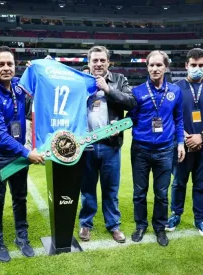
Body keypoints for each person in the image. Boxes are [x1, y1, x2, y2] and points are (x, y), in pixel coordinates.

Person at [0, 46, 44, 263]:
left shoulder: (18, 86)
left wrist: (40, 68)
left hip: (17, 156)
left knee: (20, 198)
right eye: (1, 64)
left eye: (10, 64)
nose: (6, 68)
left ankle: (21, 237)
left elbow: (37, 84)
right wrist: (27, 153)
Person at [78, 45, 137, 243]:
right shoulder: (80, 82)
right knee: (87, 189)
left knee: (110, 189)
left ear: (108, 63)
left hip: (110, 145)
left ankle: (113, 225)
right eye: (95, 60)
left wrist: (108, 89)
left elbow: (130, 102)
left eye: (102, 60)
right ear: (89, 63)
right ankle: (86, 224)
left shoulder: (119, 80)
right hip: (86, 146)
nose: (98, 63)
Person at [166, 48, 203, 237]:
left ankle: (200, 219)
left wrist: (201, 136)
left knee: (201, 185)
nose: (197, 68)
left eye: (201, 65)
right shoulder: (175, 88)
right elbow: (170, 116)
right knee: (178, 183)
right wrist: (185, 136)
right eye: (193, 65)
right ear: (186, 65)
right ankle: (175, 215)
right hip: (182, 146)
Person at [128, 50, 185, 246]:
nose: (155, 68)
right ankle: (140, 225)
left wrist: (180, 143)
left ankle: (160, 228)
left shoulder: (175, 91)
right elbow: (131, 119)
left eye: (159, 65)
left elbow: (178, 119)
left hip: (165, 150)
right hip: (140, 150)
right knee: (139, 192)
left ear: (166, 67)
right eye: (151, 65)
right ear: (147, 67)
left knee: (161, 193)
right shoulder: (137, 92)